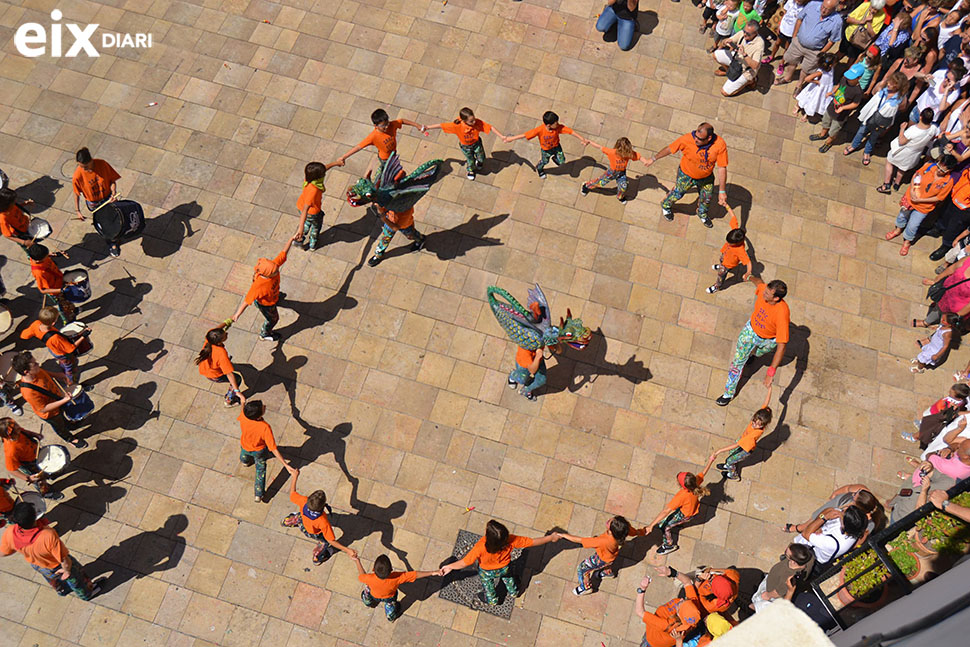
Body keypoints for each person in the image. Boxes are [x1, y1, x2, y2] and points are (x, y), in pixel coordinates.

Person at [439, 520, 559, 605]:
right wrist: (550, 538)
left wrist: (449, 566)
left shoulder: (480, 547)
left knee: (488, 585)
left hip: (487, 571)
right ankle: (514, 592)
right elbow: (532, 542)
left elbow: (465, 562)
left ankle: (492, 600)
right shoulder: (510, 540)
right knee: (509, 579)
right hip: (505, 568)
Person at [1, 501, 100, 599]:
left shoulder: (10, 532)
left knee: (54, 579)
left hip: (38, 565)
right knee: (76, 578)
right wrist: (66, 571)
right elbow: (64, 560)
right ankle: (87, 594)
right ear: (35, 516)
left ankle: (62, 589)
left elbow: (3, 553)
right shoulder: (47, 535)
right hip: (56, 565)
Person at [717, 276, 789, 406]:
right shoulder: (764, 289)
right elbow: (759, 282)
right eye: (765, 290)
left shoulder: (782, 313)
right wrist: (749, 276)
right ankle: (728, 393)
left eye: (767, 294)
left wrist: (771, 372)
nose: (763, 293)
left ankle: (751, 354)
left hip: (768, 339)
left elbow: (782, 346)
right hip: (751, 332)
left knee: (759, 353)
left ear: (776, 298)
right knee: (737, 363)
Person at [645, 123, 730, 228]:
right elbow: (669, 149)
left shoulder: (719, 144)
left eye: (700, 139)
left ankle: (702, 213)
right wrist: (653, 159)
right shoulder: (687, 139)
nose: (696, 140)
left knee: (707, 197)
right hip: (686, 175)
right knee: (677, 193)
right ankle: (666, 205)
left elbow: (722, 168)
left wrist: (722, 191)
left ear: (709, 138)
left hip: (706, 178)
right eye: (695, 136)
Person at [230, 233, 300, 342]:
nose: (278, 270)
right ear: (267, 275)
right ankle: (265, 333)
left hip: (273, 295)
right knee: (273, 319)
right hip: (267, 304)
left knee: (275, 298)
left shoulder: (273, 266)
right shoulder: (258, 286)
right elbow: (247, 301)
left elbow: (283, 253)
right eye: (275, 271)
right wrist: (236, 315)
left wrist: (291, 239)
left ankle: (275, 299)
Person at [884, 154, 956, 255]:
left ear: (949, 170)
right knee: (902, 216)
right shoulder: (929, 166)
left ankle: (907, 241)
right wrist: (913, 190)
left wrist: (921, 200)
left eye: (943, 170)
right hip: (910, 199)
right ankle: (897, 230)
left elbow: (939, 198)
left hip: (923, 207)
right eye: (939, 167)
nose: (939, 170)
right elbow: (916, 175)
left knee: (914, 225)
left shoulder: (948, 182)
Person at [11, 352, 86, 449]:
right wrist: (64, 400)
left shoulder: (36, 371)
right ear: (26, 372)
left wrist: (61, 375)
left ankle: (69, 425)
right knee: (60, 427)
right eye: (35, 364)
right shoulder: (28, 392)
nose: (38, 364)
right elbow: (43, 409)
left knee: (63, 418)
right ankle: (70, 439)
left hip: (57, 400)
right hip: (50, 414)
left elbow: (47, 374)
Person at [281, 468, 356, 563]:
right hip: (313, 533)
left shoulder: (303, 501)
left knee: (301, 516)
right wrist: (347, 550)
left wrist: (295, 476)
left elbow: (292, 494)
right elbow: (331, 540)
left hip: (304, 524)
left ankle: (291, 520)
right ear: (322, 506)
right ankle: (318, 556)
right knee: (325, 541)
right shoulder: (322, 521)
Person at [844, 70, 910, 165]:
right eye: (889, 81)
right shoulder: (883, 86)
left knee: (874, 136)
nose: (889, 84)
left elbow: (902, 108)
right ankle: (854, 145)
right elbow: (874, 92)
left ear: (898, 86)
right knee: (861, 131)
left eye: (892, 83)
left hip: (882, 120)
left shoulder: (901, 97)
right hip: (870, 114)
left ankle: (867, 152)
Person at [336, 108, 425, 177]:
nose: (386, 127)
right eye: (383, 126)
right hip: (385, 159)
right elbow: (359, 147)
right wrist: (343, 157)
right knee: (395, 172)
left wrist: (417, 125)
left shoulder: (392, 125)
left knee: (392, 171)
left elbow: (402, 121)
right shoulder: (373, 136)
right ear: (376, 126)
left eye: (387, 124)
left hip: (393, 155)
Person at [706, 386, 773, 479]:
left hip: (746, 449)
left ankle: (732, 474)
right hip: (743, 441)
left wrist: (718, 451)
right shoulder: (762, 416)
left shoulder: (753, 435)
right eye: (754, 421)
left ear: (763, 425)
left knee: (730, 461)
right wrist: (769, 389)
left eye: (758, 425)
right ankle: (728, 466)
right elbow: (766, 403)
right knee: (731, 452)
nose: (754, 425)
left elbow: (737, 445)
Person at [237, 400, 296, 503]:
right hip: (258, 451)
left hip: (245, 445)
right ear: (259, 416)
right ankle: (258, 494)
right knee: (260, 470)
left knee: (244, 454)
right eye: (262, 407)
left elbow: (242, 408)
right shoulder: (264, 427)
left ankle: (245, 461)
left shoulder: (244, 415)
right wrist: (285, 465)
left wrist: (242, 401)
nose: (265, 406)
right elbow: (273, 448)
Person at [425, 107, 508, 181]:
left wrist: (501, 136)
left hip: (476, 143)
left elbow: (490, 127)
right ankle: (470, 170)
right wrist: (428, 127)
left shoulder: (477, 123)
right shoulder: (457, 126)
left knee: (482, 157)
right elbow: (441, 125)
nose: (474, 122)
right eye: (471, 121)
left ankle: (479, 162)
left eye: (474, 119)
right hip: (466, 147)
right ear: (464, 121)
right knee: (470, 160)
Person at [783, 484, 884, 543]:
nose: (853, 494)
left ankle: (803, 529)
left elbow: (857, 541)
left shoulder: (867, 523)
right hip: (836, 504)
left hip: (833, 523)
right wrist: (835, 494)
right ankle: (801, 527)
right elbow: (848, 488)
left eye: (854, 497)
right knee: (815, 517)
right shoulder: (863, 492)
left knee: (817, 526)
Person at [776, 0, 844, 87]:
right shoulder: (812, 5)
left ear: (834, 9)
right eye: (823, 6)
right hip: (798, 43)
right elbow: (799, 19)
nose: (823, 10)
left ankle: (799, 85)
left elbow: (832, 41)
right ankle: (787, 78)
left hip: (815, 50)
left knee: (806, 69)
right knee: (792, 61)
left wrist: (821, 52)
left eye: (827, 9)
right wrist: (794, 36)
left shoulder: (837, 21)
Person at [353, 553, 440, 621]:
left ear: (373, 569)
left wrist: (357, 561)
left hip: (374, 595)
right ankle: (390, 616)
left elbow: (362, 575)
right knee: (391, 605)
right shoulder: (396, 577)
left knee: (366, 591)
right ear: (391, 570)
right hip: (389, 597)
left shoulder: (369, 578)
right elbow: (415, 574)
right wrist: (433, 572)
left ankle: (368, 602)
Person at [505, 111, 590, 179]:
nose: (558, 124)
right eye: (556, 123)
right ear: (549, 125)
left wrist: (582, 138)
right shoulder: (539, 130)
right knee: (545, 161)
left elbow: (571, 131)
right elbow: (525, 135)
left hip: (556, 147)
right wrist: (511, 139)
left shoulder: (558, 127)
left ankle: (555, 158)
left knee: (562, 161)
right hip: (546, 150)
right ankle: (540, 169)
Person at [643, 471, 710, 555]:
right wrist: (711, 459)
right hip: (690, 510)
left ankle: (669, 545)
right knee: (672, 520)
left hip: (684, 515)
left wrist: (651, 525)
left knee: (664, 526)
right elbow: (703, 472)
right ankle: (678, 524)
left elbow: (665, 511)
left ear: (683, 486)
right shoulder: (695, 482)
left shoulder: (682, 496)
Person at [19, 306, 88, 388]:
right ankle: (71, 383)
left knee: (63, 362)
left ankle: (63, 367)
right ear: (53, 323)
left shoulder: (36, 324)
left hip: (53, 349)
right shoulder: (55, 338)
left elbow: (24, 335)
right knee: (70, 369)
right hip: (62, 353)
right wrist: (83, 336)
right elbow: (71, 348)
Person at [635, 566, 704, 647]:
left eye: (681, 603)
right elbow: (687, 582)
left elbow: (639, 612)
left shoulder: (666, 625)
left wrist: (642, 589)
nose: (681, 599)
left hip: (651, 641)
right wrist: (672, 572)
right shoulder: (694, 609)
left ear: (678, 614)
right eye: (685, 600)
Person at [878, 107, 941, 194]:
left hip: (905, 151)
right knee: (903, 168)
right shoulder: (933, 129)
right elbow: (932, 139)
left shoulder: (913, 130)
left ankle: (886, 184)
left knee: (889, 161)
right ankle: (897, 184)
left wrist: (902, 129)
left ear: (920, 117)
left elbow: (902, 141)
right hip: (916, 153)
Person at [810, 63, 865, 153]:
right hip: (832, 107)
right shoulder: (844, 79)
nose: (848, 79)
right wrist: (831, 92)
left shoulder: (858, 91)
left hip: (840, 115)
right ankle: (822, 134)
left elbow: (855, 104)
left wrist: (843, 108)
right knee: (825, 121)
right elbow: (839, 85)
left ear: (858, 78)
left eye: (851, 78)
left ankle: (828, 142)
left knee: (834, 130)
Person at [1, 418, 61, 500]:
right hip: (29, 463)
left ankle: (49, 475)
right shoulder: (11, 450)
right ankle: (47, 493)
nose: (18, 427)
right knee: (40, 481)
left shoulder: (17, 430)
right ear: (10, 435)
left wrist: (35, 435)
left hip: (35, 452)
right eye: (16, 427)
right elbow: (11, 470)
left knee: (47, 466)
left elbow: (25, 431)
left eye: (16, 424)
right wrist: (28, 478)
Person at [792, 504, 866, 569]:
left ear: (844, 524)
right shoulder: (852, 525)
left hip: (809, 556)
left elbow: (805, 534)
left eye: (843, 512)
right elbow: (829, 509)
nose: (840, 511)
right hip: (807, 541)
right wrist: (820, 521)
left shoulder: (834, 543)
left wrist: (824, 518)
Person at [580, 136, 648, 202]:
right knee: (600, 183)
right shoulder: (611, 152)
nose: (625, 154)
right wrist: (589, 142)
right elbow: (600, 147)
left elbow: (639, 157)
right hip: (611, 172)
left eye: (626, 152)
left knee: (623, 186)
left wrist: (645, 161)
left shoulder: (628, 153)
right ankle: (586, 186)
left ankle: (620, 197)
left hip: (621, 173)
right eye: (623, 152)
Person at [751, 543, 814, 612]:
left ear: (793, 562)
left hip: (771, 589)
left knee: (757, 600)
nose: (785, 550)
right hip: (777, 580)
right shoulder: (809, 558)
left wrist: (767, 595)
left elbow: (777, 592)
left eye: (786, 553)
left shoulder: (787, 577)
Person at [295, 160, 343, 251]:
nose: (324, 174)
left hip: (300, 205)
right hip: (312, 212)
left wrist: (335, 163)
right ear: (319, 177)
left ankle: (300, 235)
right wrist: (300, 228)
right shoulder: (313, 190)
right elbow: (305, 209)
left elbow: (324, 168)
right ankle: (312, 243)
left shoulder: (309, 178)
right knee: (316, 227)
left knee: (307, 222)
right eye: (323, 174)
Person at [713, 20, 766, 96]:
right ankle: (729, 72)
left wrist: (744, 54)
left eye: (748, 34)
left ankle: (749, 81)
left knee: (724, 92)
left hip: (747, 70)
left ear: (755, 33)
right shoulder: (742, 33)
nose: (744, 34)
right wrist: (725, 42)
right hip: (737, 59)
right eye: (744, 31)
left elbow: (755, 66)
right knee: (716, 55)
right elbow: (725, 42)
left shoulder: (759, 44)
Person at [195, 326, 245, 407]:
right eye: (225, 335)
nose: (227, 334)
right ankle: (229, 400)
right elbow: (229, 374)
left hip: (205, 369)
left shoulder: (210, 338)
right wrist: (237, 391)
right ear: (219, 342)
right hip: (215, 375)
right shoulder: (221, 354)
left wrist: (228, 321)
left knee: (226, 364)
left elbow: (215, 330)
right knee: (237, 378)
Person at [707, 207, 752, 294]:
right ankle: (720, 266)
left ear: (737, 243)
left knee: (721, 275)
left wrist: (748, 272)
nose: (728, 243)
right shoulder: (735, 231)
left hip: (727, 264)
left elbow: (748, 262)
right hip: (724, 256)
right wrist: (726, 205)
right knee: (721, 260)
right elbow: (733, 217)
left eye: (730, 243)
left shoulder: (740, 250)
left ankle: (717, 286)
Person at [27, 244, 75, 325]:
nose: (48, 257)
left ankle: (72, 309)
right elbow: (43, 290)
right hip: (55, 290)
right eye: (46, 256)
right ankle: (68, 319)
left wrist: (56, 254)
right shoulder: (39, 273)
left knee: (68, 301)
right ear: (39, 260)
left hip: (58, 279)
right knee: (64, 306)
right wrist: (61, 290)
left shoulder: (37, 257)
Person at [916, 255, 970, 327]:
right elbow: (952, 268)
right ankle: (926, 323)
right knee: (937, 309)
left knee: (947, 324)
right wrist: (936, 280)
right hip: (945, 293)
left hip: (955, 309)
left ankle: (936, 331)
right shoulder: (968, 259)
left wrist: (957, 316)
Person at [71, 147, 119, 221]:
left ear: (91, 160)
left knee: (114, 216)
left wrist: (113, 193)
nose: (84, 169)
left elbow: (112, 180)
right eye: (81, 167)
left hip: (108, 197)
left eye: (86, 167)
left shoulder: (102, 164)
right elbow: (76, 193)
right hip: (94, 203)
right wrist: (78, 211)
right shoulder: (77, 176)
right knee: (102, 219)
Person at [768, 0, 810, 71]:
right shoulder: (790, 2)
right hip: (784, 27)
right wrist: (779, 25)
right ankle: (771, 56)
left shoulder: (805, 8)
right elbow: (784, 13)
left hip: (792, 32)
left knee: (787, 48)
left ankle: (782, 62)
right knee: (777, 43)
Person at [794, 53, 836, 120]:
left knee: (815, 102)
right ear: (831, 65)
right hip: (817, 89)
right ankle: (797, 106)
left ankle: (807, 114)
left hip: (824, 90)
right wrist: (816, 82)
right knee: (809, 98)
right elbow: (807, 79)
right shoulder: (820, 72)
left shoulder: (831, 68)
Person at [0, 187, 36, 253]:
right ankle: (30, 254)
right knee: (30, 248)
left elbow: (17, 206)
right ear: (5, 205)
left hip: (26, 224)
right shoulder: (2, 218)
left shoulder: (11, 205)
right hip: (20, 234)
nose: (15, 202)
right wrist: (24, 242)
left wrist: (25, 203)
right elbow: (7, 235)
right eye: (13, 202)